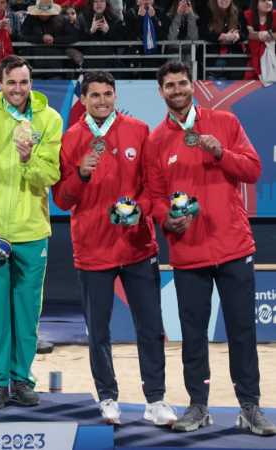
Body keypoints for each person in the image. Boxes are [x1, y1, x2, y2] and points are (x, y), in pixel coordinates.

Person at [145, 60, 276, 436]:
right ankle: (198, 406)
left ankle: (250, 406)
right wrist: (164, 220)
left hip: (234, 246)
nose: (177, 90)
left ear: (192, 85)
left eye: (183, 83)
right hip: (189, 251)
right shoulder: (155, 142)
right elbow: (154, 197)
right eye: (170, 85)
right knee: (194, 334)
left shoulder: (225, 123)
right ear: (161, 92)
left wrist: (221, 153)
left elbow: (252, 170)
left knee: (242, 332)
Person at [51, 70, 177, 427]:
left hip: (137, 245)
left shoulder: (139, 130)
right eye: (95, 96)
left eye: (108, 94)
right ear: (84, 100)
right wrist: (82, 174)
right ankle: (107, 397)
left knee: (151, 327)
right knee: (100, 331)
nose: (102, 101)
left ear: (115, 97)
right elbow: (62, 199)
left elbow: (154, 185)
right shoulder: (72, 139)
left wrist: (139, 208)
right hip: (93, 248)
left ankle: (155, 399)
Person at [0, 54, 61, 410]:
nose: (18, 89)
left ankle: (21, 380)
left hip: (32, 232)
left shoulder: (49, 119)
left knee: (27, 312)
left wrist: (27, 159)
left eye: (24, 82)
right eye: (12, 82)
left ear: (31, 84)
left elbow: (50, 175)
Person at [18, 0, 79, 76]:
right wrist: (41, 38)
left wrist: (54, 39)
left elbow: (74, 36)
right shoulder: (31, 18)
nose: (43, 15)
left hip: (57, 66)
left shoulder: (62, 19)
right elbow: (21, 35)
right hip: (35, 66)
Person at [198, 0, 248, 80]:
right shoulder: (208, 13)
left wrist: (238, 36)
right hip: (212, 61)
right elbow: (202, 33)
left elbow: (246, 33)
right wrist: (223, 37)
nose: (224, 0)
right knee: (212, 91)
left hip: (233, 62)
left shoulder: (238, 14)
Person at [123, 0, 171, 78]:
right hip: (135, 58)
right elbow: (129, 36)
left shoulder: (160, 12)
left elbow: (162, 35)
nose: (146, 0)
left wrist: (153, 17)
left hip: (154, 58)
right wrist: (140, 17)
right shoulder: (131, 13)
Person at [74, 0, 124, 69]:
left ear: (106, 3)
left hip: (109, 64)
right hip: (87, 64)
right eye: (95, 1)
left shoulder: (115, 19)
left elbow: (121, 41)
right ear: (91, 3)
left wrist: (108, 32)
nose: (99, 4)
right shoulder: (82, 18)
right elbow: (75, 41)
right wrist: (90, 32)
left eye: (102, 1)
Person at [244, 0, 276, 82]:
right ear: (255, 4)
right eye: (263, 0)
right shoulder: (247, 14)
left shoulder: (275, 14)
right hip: (250, 55)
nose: (268, 2)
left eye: (269, 0)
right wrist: (260, 34)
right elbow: (248, 34)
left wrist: (269, 35)